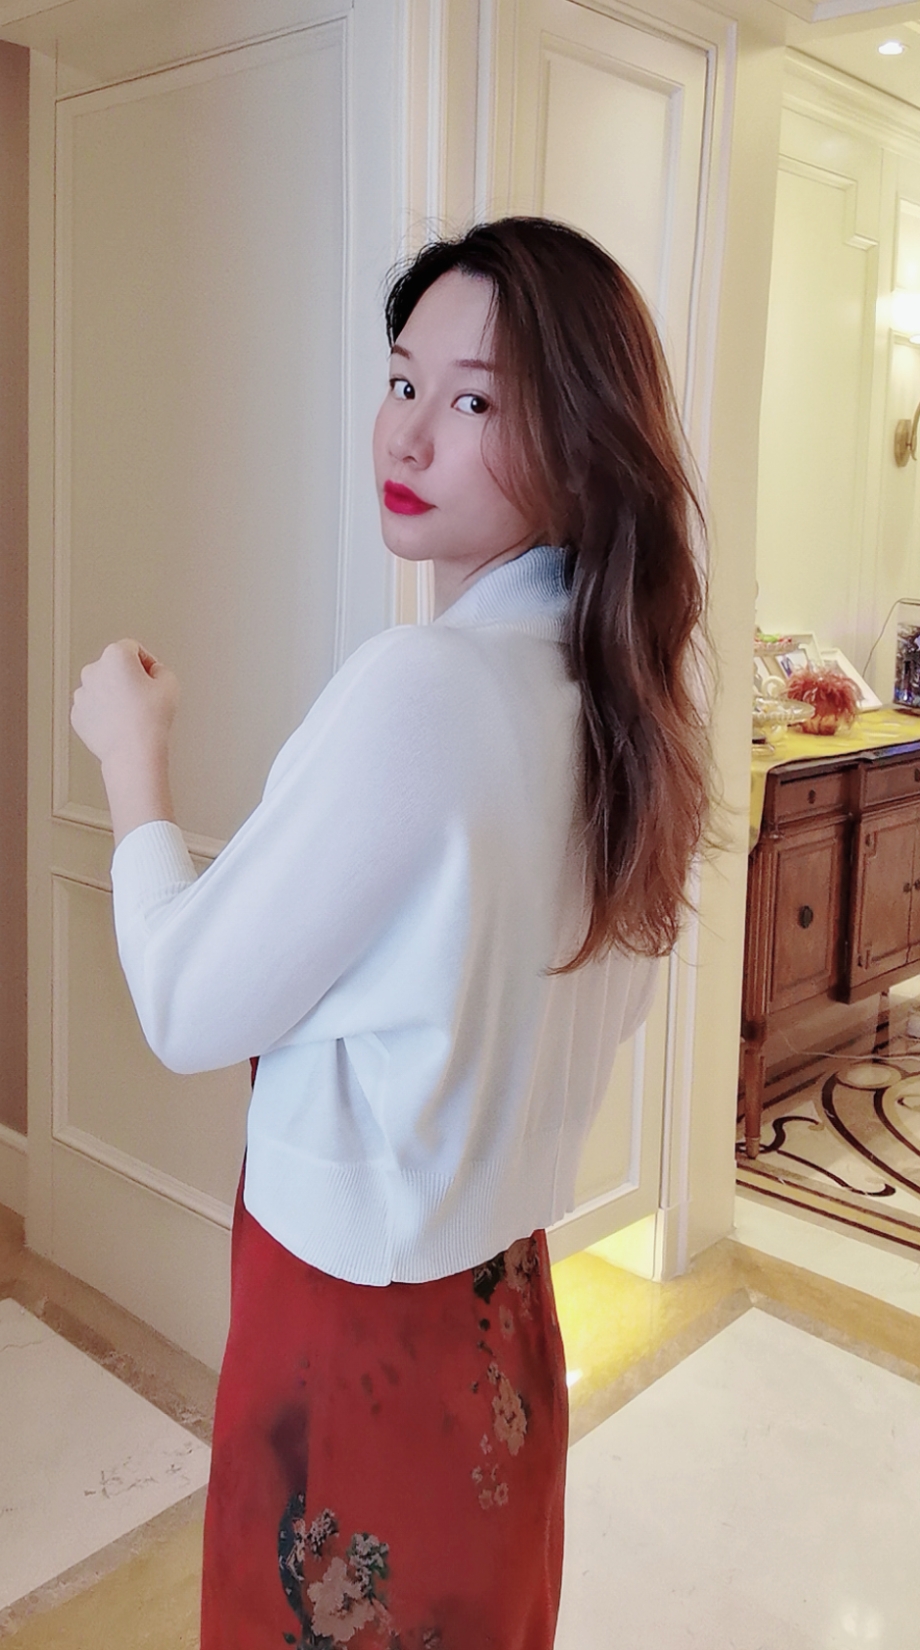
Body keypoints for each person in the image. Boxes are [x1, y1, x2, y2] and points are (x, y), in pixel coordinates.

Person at [71, 216, 715, 1650]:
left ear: (580, 440)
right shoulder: (624, 703)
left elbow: (183, 1003)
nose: (408, 434)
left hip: (350, 1342)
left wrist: (132, 756)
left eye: (475, 401)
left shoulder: (423, 689)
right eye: (403, 380)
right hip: (503, 1325)